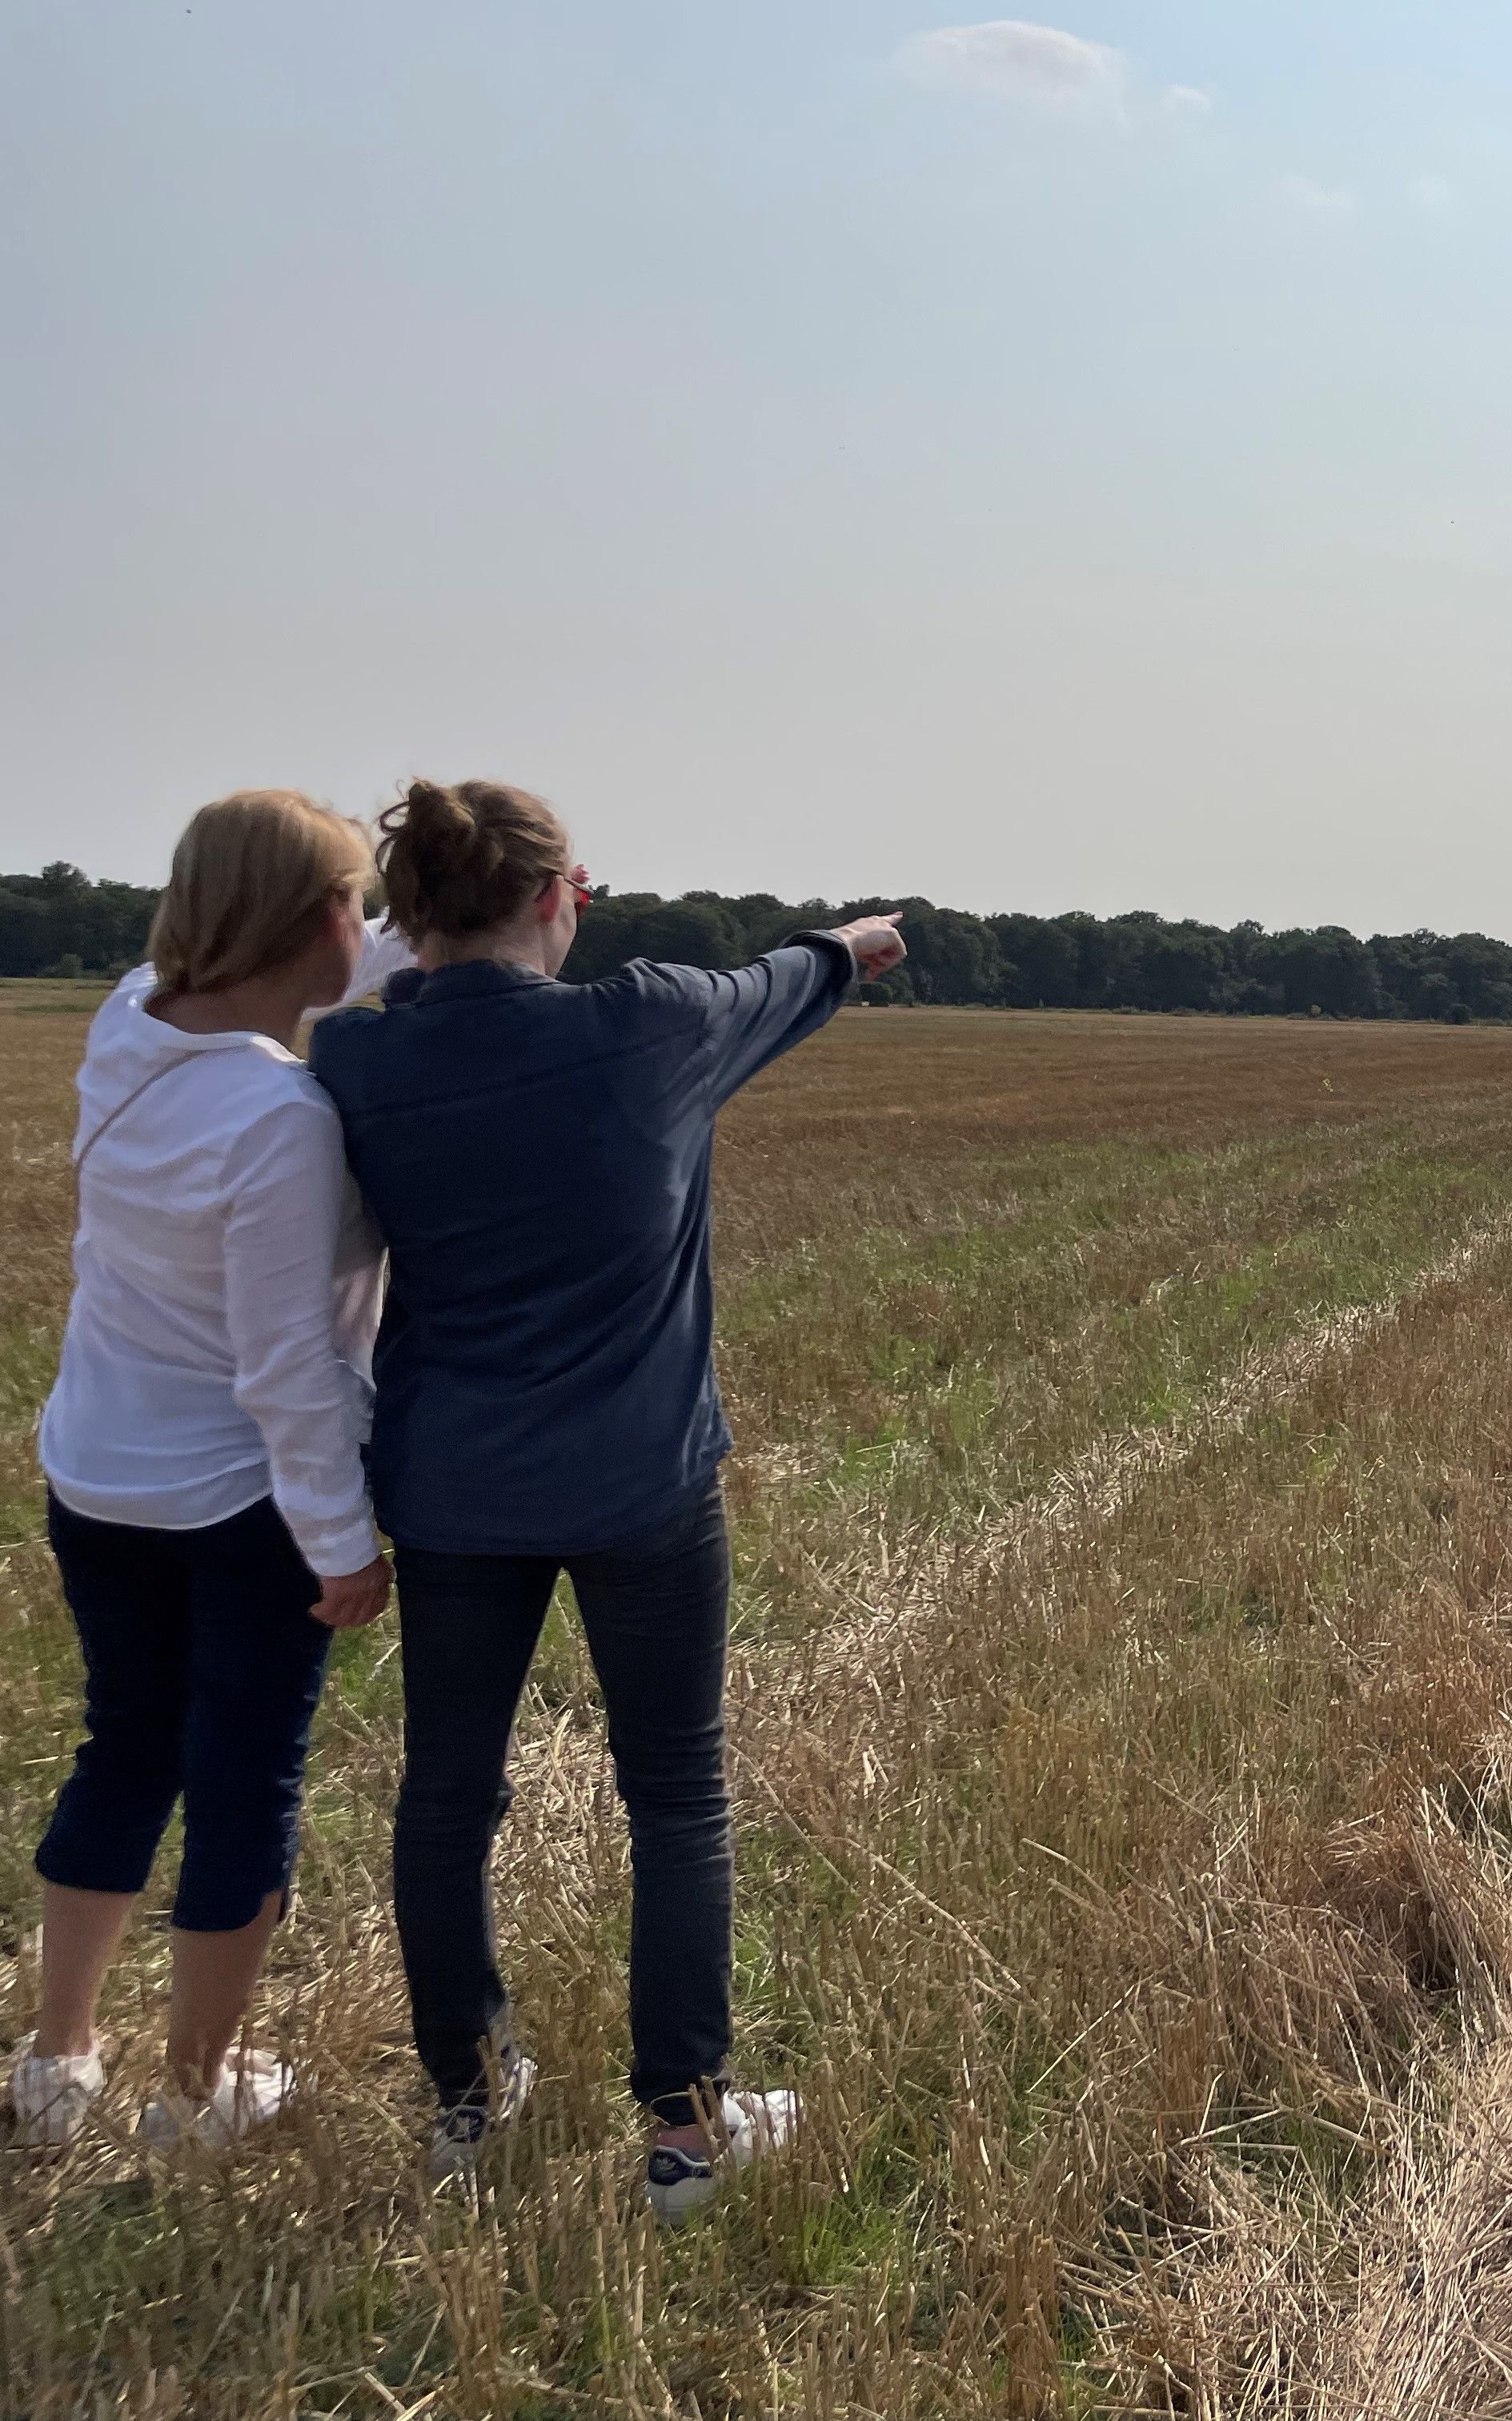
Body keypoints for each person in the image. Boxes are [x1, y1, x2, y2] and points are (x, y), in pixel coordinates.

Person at [309, 779, 903, 2222]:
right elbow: (803, 965)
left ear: (412, 911)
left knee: (447, 1796)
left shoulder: (355, 1063)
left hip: (450, 1490)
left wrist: (437, 936)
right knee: (675, 1791)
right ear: (559, 895)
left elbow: (393, 987)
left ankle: (466, 2097)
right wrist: (866, 938)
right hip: (643, 1485)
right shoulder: (650, 1024)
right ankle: (687, 2137)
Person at [10, 793, 407, 2154]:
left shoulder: (125, 1026)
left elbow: (294, 965)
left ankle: (58, 2061)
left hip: (93, 1475)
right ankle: (196, 2092)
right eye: (359, 905)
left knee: (124, 1745)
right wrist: (344, 1541)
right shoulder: (282, 1119)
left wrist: (478, 924)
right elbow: (289, 1372)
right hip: (240, 1505)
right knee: (245, 1776)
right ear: (315, 926)